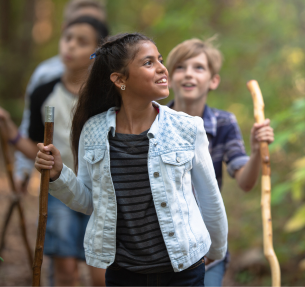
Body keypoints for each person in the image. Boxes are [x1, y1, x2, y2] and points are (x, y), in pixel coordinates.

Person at [34, 33, 228, 286]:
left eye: (160, 59)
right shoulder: (93, 130)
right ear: (120, 79)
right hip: (123, 273)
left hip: (183, 270)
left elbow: (209, 197)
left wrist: (216, 252)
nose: (162, 68)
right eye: (149, 63)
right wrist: (59, 174)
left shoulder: (187, 128)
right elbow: (89, 201)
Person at [0, 16, 109, 286]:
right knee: (65, 271)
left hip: (103, 191)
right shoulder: (44, 92)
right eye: (67, 38)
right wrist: (9, 130)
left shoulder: (108, 96)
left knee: (101, 274)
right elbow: (35, 147)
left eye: (82, 41)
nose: (71, 46)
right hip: (59, 189)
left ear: (97, 51)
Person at [165, 37, 274, 286]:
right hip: (163, 248)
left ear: (213, 80)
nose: (188, 74)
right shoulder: (154, 122)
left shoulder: (224, 123)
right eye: (180, 68)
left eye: (198, 68)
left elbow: (245, 182)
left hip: (207, 249)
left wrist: (257, 151)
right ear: (169, 78)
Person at [14, 0, 107, 186]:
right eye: (78, 22)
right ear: (65, 29)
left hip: (101, 183)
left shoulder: (110, 85)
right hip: (60, 183)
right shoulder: (44, 77)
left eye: (93, 23)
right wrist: (21, 171)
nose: (72, 45)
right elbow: (30, 128)